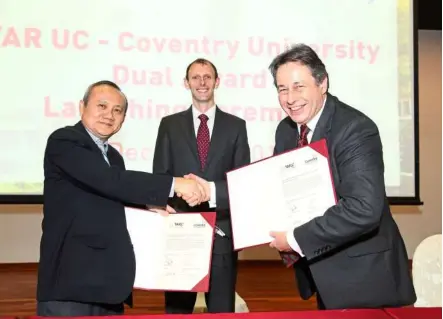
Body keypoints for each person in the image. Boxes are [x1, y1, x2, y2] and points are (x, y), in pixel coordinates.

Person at [36, 80, 205, 317]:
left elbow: (110, 194)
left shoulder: (114, 157)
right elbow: (106, 180)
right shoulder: (64, 140)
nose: (109, 115)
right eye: (102, 106)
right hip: (71, 284)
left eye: (117, 110)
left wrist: (148, 205)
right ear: (81, 107)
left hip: (108, 286)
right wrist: (174, 183)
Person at [267, 44, 416, 310]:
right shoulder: (285, 131)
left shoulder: (355, 129)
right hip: (322, 270)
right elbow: (280, 189)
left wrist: (293, 239)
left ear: (322, 83)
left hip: (366, 277)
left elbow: (364, 209)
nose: (290, 98)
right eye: (282, 89)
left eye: (299, 87)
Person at [153, 58, 250, 313]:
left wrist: (208, 189)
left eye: (207, 77)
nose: (202, 82)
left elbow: (241, 181)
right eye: (195, 77)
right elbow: (160, 176)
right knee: (178, 310)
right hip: (180, 230)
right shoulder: (169, 125)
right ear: (186, 83)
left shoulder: (237, 126)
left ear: (217, 81)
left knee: (221, 308)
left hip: (222, 231)